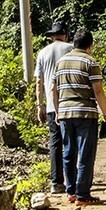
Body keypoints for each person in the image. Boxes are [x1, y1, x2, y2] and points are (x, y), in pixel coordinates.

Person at [52, 28, 106, 206]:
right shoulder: (90, 61)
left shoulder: (61, 62)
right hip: (85, 113)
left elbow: (53, 90)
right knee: (86, 154)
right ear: (90, 45)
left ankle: (70, 191)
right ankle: (83, 195)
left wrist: (57, 112)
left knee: (69, 152)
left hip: (64, 113)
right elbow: (98, 90)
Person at [34, 15, 72, 194]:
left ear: (52, 36)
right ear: (65, 35)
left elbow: (39, 82)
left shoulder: (42, 53)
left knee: (55, 142)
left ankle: (56, 182)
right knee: (72, 141)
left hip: (51, 105)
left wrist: (39, 105)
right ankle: (74, 180)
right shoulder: (71, 49)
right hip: (69, 102)